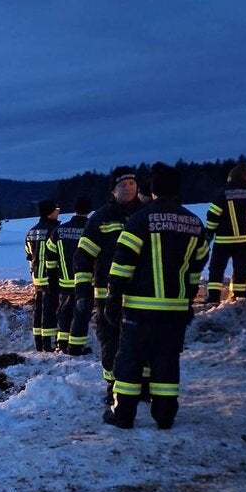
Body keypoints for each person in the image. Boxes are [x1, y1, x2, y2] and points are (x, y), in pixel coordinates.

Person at [102, 163, 209, 430]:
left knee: (129, 361)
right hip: (175, 310)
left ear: (152, 190)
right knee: (166, 361)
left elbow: (122, 263)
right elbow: (196, 269)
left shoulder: (140, 220)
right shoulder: (194, 224)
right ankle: (165, 414)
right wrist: (188, 301)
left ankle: (123, 414)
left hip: (140, 309)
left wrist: (113, 298)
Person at [70, 166, 143, 400]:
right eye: (123, 185)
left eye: (132, 184)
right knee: (110, 342)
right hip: (108, 295)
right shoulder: (101, 218)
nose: (129, 188)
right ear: (113, 190)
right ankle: (113, 386)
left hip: (142, 295)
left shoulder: (146, 214)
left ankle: (143, 386)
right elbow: (82, 257)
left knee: (142, 342)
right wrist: (82, 293)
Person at [45, 195, 92, 354]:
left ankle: (61, 343)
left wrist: (51, 278)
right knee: (81, 314)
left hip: (64, 281)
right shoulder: (91, 228)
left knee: (64, 312)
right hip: (85, 282)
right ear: (89, 210)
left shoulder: (59, 230)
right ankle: (77, 346)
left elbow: (50, 254)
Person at [204, 162, 246, 304]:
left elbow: (213, 215)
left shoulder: (223, 194)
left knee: (216, 268)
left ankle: (213, 297)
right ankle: (243, 297)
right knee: (241, 269)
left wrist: (209, 232)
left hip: (224, 240)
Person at [25, 199, 60, 352]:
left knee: (39, 308)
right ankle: (48, 343)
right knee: (51, 309)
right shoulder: (56, 230)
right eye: (56, 209)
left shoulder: (31, 231)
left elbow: (28, 255)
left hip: (37, 277)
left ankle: (38, 342)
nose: (58, 212)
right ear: (50, 211)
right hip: (52, 276)